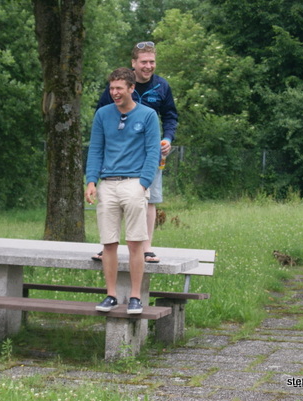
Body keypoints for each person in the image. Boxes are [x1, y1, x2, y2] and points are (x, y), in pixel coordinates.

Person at [92, 41, 178, 264]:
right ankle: (108, 247)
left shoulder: (162, 86)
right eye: (144, 62)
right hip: (119, 155)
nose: (148, 66)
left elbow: (170, 116)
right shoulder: (119, 85)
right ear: (134, 63)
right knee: (113, 200)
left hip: (150, 152)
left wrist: (167, 138)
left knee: (149, 199)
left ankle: (146, 248)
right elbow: (102, 114)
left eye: (152, 62)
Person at [85, 68, 161, 314]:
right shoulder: (102, 114)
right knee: (109, 243)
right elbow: (95, 149)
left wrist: (143, 184)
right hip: (107, 184)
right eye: (112, 88)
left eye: (119, 88)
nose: (114, 92)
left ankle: (135, 297)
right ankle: (111, 295)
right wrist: (91, 181)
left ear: (131, 88)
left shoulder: (148, 115)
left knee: (135, 243)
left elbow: (153, 152)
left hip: (134, 182)